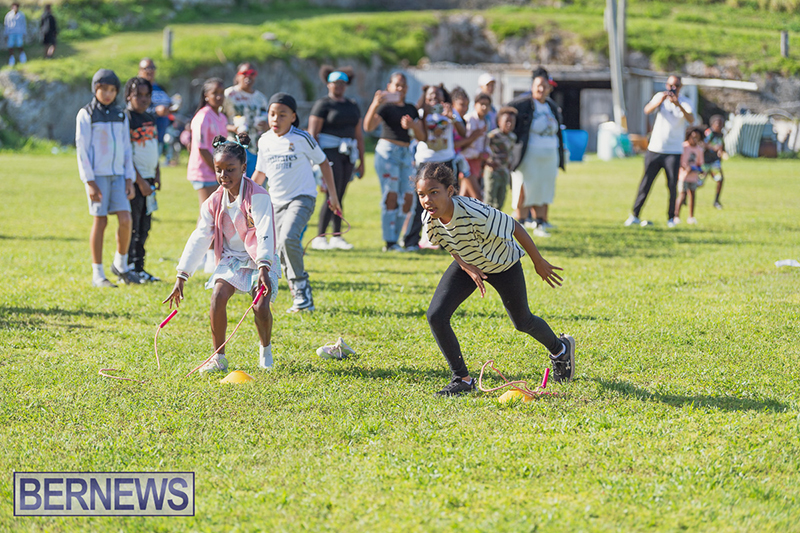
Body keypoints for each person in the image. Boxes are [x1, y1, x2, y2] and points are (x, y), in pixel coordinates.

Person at [416, 163, 576, 396]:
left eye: (434, 192)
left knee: (522, 321)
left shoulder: (474, 213)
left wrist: (538, 261)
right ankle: (462, 379)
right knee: (436, 315)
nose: (427, 200)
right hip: (471, 265)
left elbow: (515, 227)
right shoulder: (429, 218)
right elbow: (449, 243)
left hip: (503, 264)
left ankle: (560, 349)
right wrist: (465, 266)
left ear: (450, 191)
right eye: (421, 195)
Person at [163, 133, 278, 373]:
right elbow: (200, 236)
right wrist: (181, 275)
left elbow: (266, 231)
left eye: (230, 170)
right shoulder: (213, 201)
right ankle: (218, 357)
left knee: (260, 306)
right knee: (217, 296)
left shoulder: (258, 196)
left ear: (244, 168)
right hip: (232, 259)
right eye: (218, 170)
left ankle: (265, 350)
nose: (223, 176)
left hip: (260, 259)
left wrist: (264, 267)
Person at [252, 93, 342, 313]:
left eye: (282, 115)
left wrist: (333, 195)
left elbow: (323, 163)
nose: (276, 119)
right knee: (279, 248)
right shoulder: (264, 140)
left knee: (289, 238)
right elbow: (260, 173)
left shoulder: (302, 138)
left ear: (293, 117)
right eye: (272, 114)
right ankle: (297, 292)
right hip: (275, 202)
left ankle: (303, 291)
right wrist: (246, 200)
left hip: (302, 198)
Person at [76, 69, 139, 288]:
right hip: (97, 177)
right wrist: (89, 181)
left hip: (119, 176)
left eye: (113, 90)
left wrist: (129, 178)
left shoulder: (121, 115)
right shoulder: (86, 114)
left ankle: (120, 265)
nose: (108, 94)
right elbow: (82, 150)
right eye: (104, 89)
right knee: (100, 221)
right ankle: (98, 274)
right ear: (96, 89)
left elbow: (126, 148)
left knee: (125, 220)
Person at [363, 72, 425, 252]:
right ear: (389, 86)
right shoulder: (385, 107)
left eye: (403, 85)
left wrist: (412, 126)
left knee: (408, 197)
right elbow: (368, 127)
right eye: (396, 85)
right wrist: (375, 104)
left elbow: (422, 136)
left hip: (406, 154)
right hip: (387, 152)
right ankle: (389, 241)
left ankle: (397, 240)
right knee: (391, 196)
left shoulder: (411, 108)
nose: (400, 89)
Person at [624, 75, 694, 228]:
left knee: (672, 185)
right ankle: (635, 215)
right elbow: (647, 110)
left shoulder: (685, 102)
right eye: (669, 85)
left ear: (681, 87)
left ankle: (671, 217)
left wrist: (677, 104)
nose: (672, 88)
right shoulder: (659, 97)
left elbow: (691, 119)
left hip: (673, 151)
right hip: (655, 149)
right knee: (646, 183)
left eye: (675, 86)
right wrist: (660, 102)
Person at [307, 66, 365, 251]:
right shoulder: (323, 104)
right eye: (335, 83)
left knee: (340, 193)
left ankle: (337, 236)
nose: (338, 86)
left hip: (347, 153)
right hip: (328, 152)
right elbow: (313, 133)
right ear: (328, 84)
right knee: (331, 193)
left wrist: (362, 161)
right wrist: (315, 160)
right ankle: (321, 235)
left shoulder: (352, 105)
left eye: (342, 83)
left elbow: (358, 134)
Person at [404, 84, 467, 252]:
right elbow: (419, 136)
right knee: (420, 203)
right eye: (430, 97)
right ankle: (410, 240)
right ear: (425, 99)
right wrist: (419, 119)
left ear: (444, 98)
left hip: (446, 160)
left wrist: (452, 117)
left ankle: (450, 241)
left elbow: (463, 133)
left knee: (450, 200)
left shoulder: (450, 112)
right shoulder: (420, 113)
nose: (434, 100)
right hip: (425, 161)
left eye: (438, 96)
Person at [509, 67, 565, 237]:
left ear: (549, 88)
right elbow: (506, 114)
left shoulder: (551, 106)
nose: (541, 89)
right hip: (529, 155)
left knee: (544, 188)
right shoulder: (522, 104)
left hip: (548, 156)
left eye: (545, 85)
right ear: (532, 86)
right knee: (525, 187)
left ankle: (541, 221)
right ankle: (521, 221)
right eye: (538, 85)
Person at [124, 77, 161, 282]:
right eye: (138, 95)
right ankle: (128, 267)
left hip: (149, 178)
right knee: (133, 225)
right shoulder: (126, 118)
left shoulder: (150, 118)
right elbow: (126, 154)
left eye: (147, 95)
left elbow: (153, 148)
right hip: (134, 181)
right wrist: (140, 181)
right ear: (129, 95)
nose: (143, 99)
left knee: (145, 226)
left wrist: (157, 173)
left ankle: (140, 267)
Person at [223, 62, 269, 179]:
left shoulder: (261, 98)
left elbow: (269, 120)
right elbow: (218, 120)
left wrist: (266, 125)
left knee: (255, 186)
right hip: (233, 145)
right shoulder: (229, 95)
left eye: (252, 73)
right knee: (234, 184)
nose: (248, 76)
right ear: (238, 75)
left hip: (255, 147)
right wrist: (234, 128)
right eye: (244, 73)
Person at [187, 78, 228, 207]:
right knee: (207, 213)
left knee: (216, 213)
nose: (219, 96)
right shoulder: (203, 117)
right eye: (215, 93)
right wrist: (218, 170)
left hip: (217, 170)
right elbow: (202, 148)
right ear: (206, 96)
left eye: (222, 93)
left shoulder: (221, 117)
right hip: (205, 172)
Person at [138, 58, 174, 163]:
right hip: (143, 138)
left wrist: (171, 107)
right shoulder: (136, 88)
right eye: (146, 68)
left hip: (159, 134)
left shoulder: (159, 88)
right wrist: (155, 112)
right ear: (139, 71)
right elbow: (134, 111)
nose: (150, 71)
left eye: (152, 68)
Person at [483, 107, 518, 211]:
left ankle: (497, 222)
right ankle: (486, 222)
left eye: (512, 122)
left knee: (501, 199)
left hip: (504, 172)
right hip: (493, 172)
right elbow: (484, 150)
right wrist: (488, 162)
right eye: (506, 121)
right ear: (499, 122)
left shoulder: (512, 137)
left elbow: (511, 152)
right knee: (489, 199)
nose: (509, 124)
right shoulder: (493, 136)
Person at [460, 92, 493, 201]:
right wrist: (478, 154)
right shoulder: (469, 119)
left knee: (465, 196)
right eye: (482, 104)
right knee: (477, 197)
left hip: (477, 162)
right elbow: (464, 144)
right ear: (475, 105)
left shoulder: (485, 121)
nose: (484, 107)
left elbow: (484, 142)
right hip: (467, 161)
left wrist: (486, 153)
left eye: (487, 104)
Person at [449, 86, 480, 200]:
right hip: (449, 162)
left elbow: (462, 145)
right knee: (475, 196)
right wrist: (472, 137)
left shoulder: (462, 121)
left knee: (463, 197)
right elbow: (452, 145)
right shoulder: (450, 121)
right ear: (453, 104)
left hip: (459, 162)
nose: (465, 108)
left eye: (467, 105)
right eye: (462, 105)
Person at [674, 127, 705, 225]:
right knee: (682, 195)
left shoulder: (699, 149)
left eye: (697, 138)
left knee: (692, 196)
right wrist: (685, 167)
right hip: (683, 176)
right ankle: (676, 216)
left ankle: (691, 217)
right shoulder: (683, 147)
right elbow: (679, 161)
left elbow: (700, 163)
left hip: (694, 177)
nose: (694, 140)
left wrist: (699, 170)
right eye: (693, 137)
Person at [703, 114, 726, 209]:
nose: (719, 126)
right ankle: (684, 197)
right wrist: (713, 148)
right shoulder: (709, 133)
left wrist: (721, 151)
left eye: (721, 124)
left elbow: (721, 146)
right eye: (718, 124)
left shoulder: (721, 134)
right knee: (698, 183)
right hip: (705, 161)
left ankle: (716, 201)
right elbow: (703, 143)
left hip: (715, 162)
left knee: (720, 179)